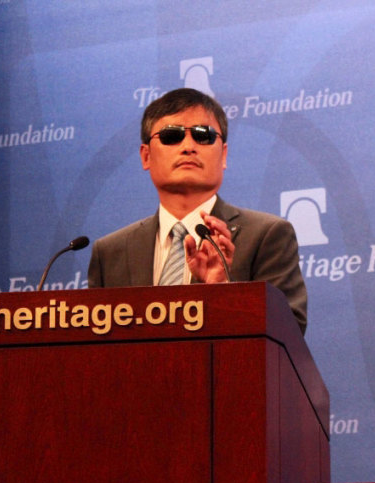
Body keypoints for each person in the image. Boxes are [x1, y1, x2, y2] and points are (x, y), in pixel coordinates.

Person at [87, 88, 307, 334]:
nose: (188, 146)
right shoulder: (110, 253)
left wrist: (223, 289)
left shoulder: (267, 236)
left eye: (204, 135)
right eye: (172, 136)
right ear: (146, 156)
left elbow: (289, 334)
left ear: (223, 154)